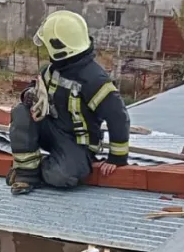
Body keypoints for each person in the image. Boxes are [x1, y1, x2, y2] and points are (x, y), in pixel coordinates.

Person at [8, 10, 131, 195]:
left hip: (77, 144)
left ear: (58, 48)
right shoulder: (51, 70)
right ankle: (27, 174)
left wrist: (117, 158)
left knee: (61, 177)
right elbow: (36, 87)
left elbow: (118, 117)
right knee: (20, 112)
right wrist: (29, 95)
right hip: (51, 130)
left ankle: (42, 168)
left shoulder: (94, 80)